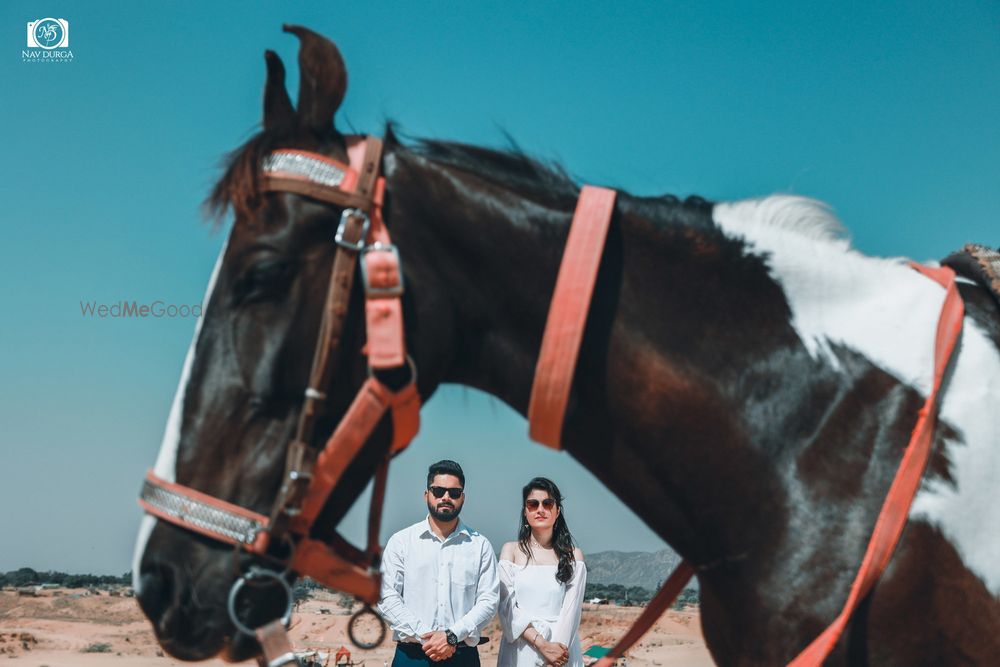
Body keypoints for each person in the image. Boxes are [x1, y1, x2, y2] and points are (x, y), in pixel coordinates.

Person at [378, 460, 499, 667]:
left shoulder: (480, 545)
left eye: (454, 493)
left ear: (463, 497)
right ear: (427, 495)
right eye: (438, 491)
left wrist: (451, 636)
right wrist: (428, 637)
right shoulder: (401, 542)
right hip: (412, 657)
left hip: (463, 657)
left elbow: (489, 601)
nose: (446, 497)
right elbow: (387, 596)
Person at [498, 477, 587, 667]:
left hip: (561, 651)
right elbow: (506, 607)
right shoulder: (510, 551)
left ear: (557, 511)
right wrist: (541, 644)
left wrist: (555, 653)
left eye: (547, 503)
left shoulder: (573, 556)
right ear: (525, 511)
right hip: (520, 647)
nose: (540, 509)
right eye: (533, 504)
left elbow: (571, 612)